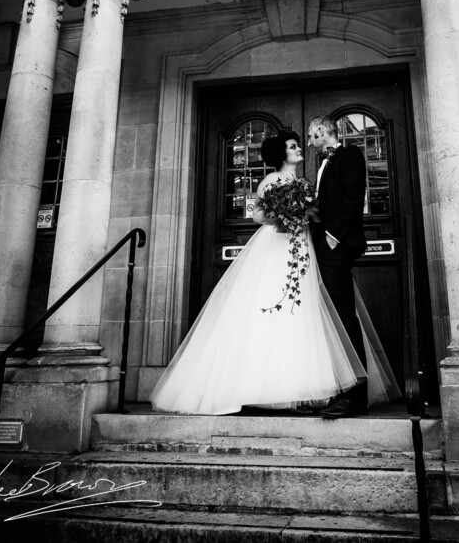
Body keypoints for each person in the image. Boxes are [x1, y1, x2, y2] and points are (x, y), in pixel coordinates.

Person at [150, 131, 368, 415]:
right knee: (274, 304)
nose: (299, 148)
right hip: (277, 247)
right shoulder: (271, 180)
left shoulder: (303, 183)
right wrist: (285, 215)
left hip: (302, 247)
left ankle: (302, 389)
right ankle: (266, 388)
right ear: (282, 155)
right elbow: (258, 215)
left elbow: (317, 211)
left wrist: (304, 214)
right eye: (293, 147)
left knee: (304, 313)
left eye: (298, 145)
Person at [306, 114, 370, 419]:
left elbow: (354, 198)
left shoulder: (350, 154)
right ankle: (340, 388)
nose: (309, 142)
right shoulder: (324, 163)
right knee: (333, 315)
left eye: (311, 136)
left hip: (337, 245)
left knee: (343, 315)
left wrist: (333, 236)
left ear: (321, 131)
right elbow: (329, 201)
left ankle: (354, 396)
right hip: (322, 244)